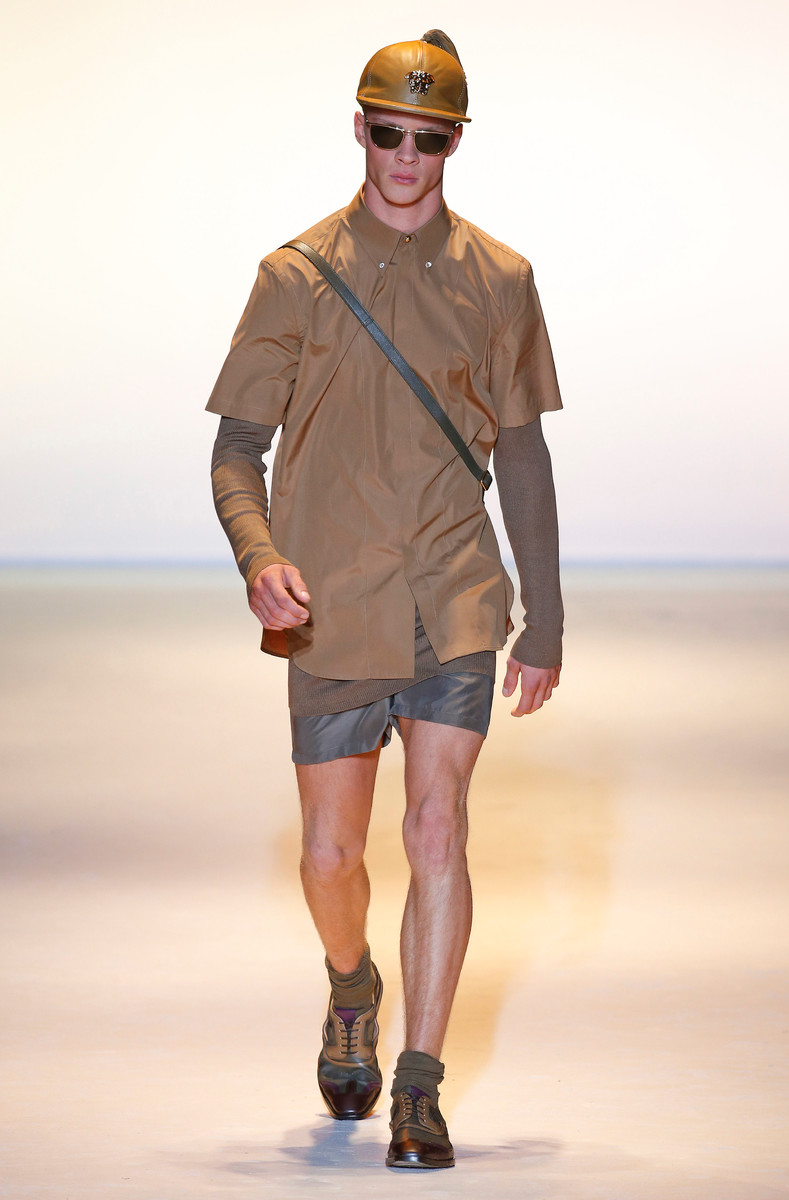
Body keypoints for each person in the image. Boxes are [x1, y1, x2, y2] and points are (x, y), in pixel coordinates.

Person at [207, 30, 563, 1170]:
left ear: (455, 142)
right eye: (391, 131)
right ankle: (351, 983)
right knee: (327, 855)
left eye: (431, 138)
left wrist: (545, 617)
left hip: (453, 591)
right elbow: (236, 450)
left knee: (437, 825)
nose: (408, 155)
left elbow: (522, 456)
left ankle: (420, 1083)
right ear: (359, 127)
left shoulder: (501, 279)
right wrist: (259, 556)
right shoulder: (294, 276)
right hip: (329, 600)